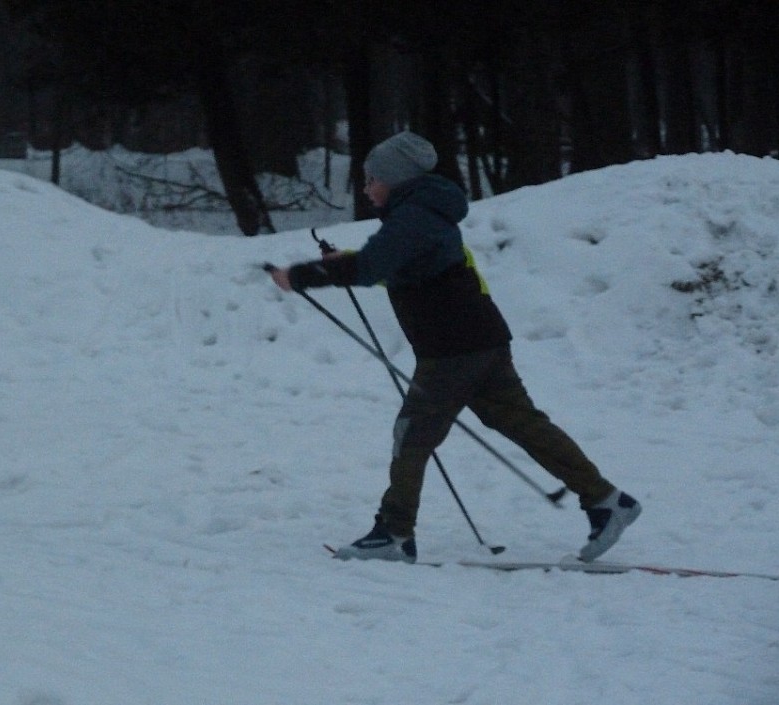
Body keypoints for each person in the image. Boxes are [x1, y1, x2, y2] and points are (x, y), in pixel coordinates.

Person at [267, 131, 640, 564]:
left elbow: (372, 266)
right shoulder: (424, 212)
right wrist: (339, 262)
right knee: (522, 424)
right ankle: (607, 500)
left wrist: (300, 277)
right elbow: (399, 265)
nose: (366, 189)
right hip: (478, 340)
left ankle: (393, 533)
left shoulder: (414, 218)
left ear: (395, 179)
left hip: (453, 349)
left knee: (412, 434)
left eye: (371, 180)